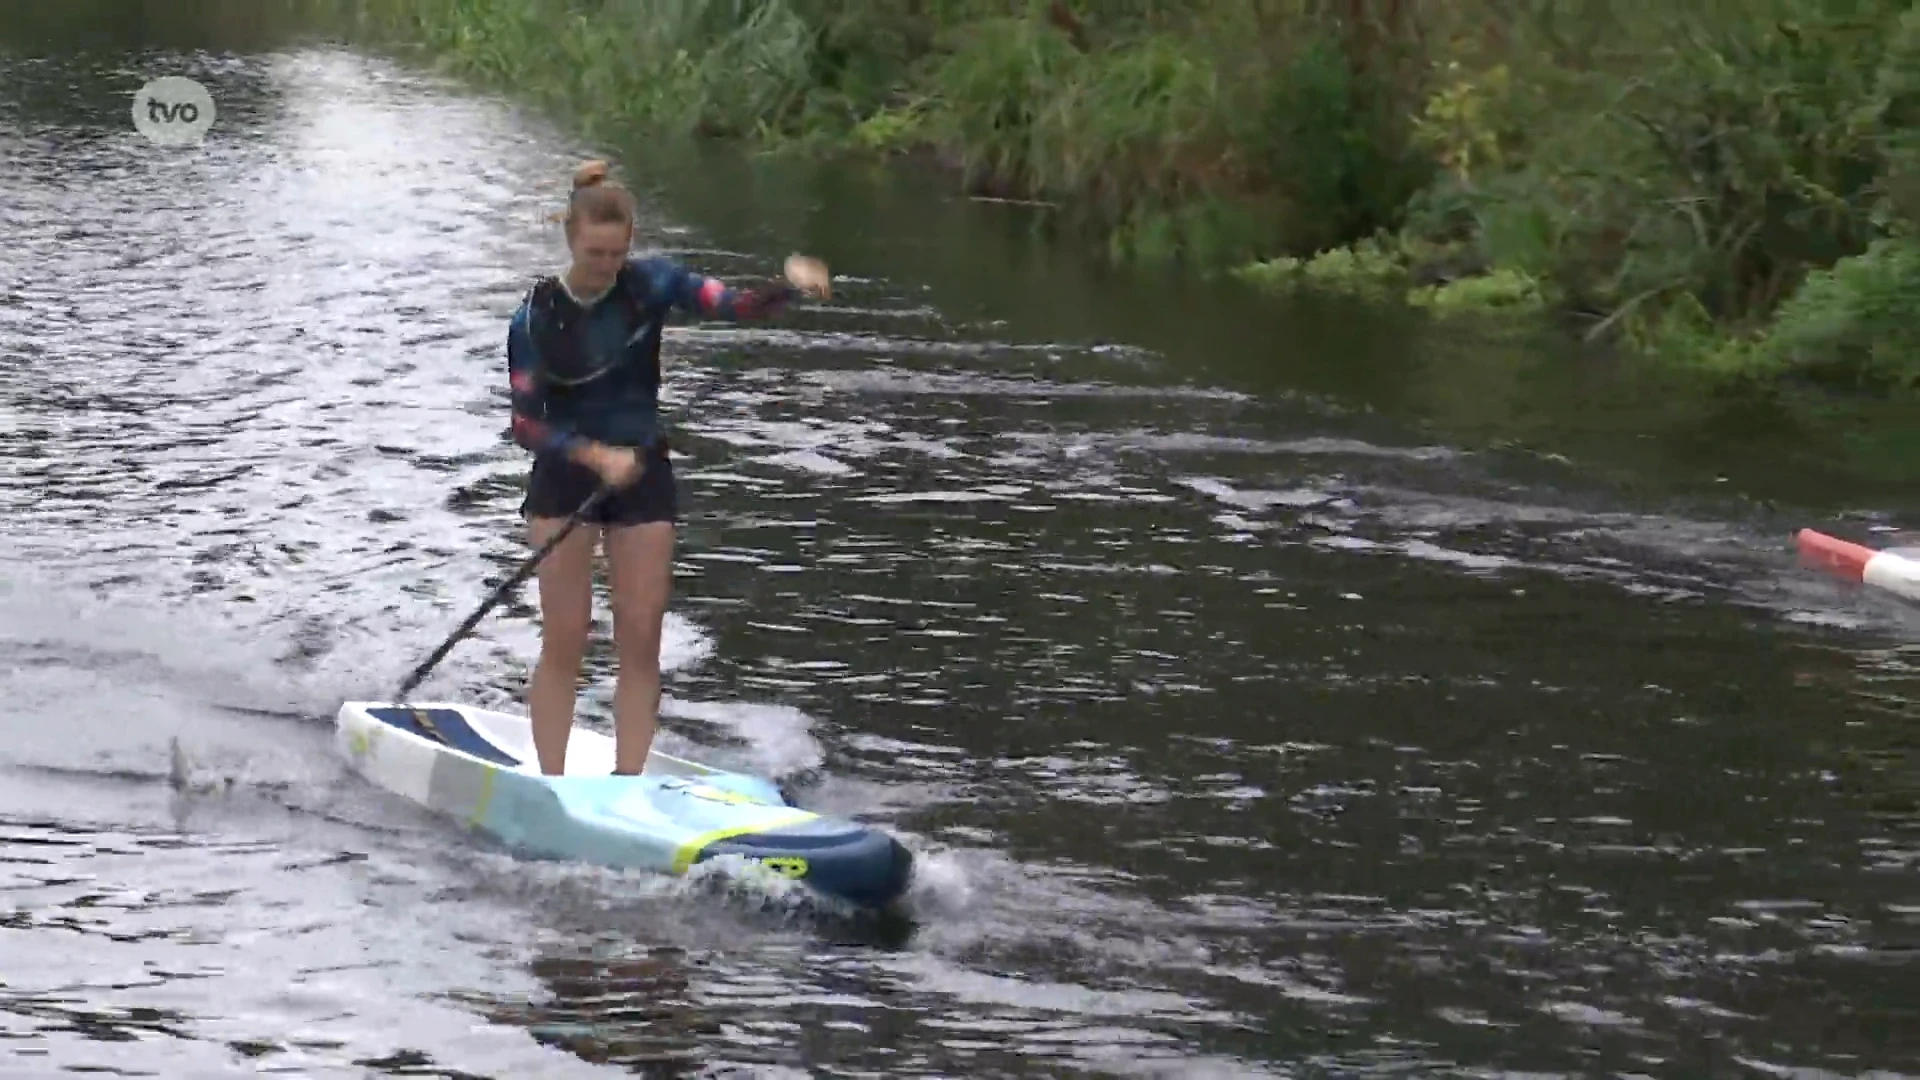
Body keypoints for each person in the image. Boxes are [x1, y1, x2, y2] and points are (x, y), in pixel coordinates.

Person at [506, 158, 832, 777]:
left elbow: (734, 305)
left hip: (644, 474)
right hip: (564, 477)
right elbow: (526, 424)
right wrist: (595, 455)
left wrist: (791, 285)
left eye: (616, 254)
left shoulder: (652, 283)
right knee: (567, 636)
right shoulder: (535, 315)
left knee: (640, 634)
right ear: (572, 239)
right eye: (595, 253)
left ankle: (628, 782)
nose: (606, 266)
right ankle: (550, 782)